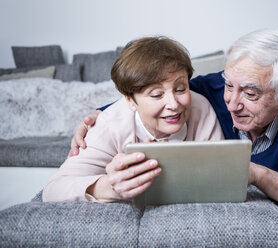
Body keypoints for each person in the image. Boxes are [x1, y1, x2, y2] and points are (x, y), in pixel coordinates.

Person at [69, 29, 278, 206]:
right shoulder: (212, 88)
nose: (231, 102)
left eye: (250, 94)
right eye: (229, 85)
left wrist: (254, 173)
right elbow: (155, 93)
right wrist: (100, 113)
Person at [42, 36, 224, 202]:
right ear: (130, 100)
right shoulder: (110, 124)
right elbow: (53, 190)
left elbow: (221, 174)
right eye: (156, 94)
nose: (174, 104)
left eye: (180, 89)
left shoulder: (201, 108)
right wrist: (110, 187)